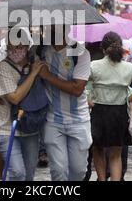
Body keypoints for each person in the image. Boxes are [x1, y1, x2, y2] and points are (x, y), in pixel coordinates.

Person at [89, 32, 132, 181]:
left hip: (99, 112)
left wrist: (88, 100)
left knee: (98, 149)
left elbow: (81, 86)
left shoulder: (94, 66)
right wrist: (129, 98)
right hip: (119, 113)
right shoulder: (128, 67)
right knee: (116, 155)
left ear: (103, 49)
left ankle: (101, 179)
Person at [38, 25, 92, 181]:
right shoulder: (40, 51)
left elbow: (77, 89)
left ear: (65, 29)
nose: (48, 31)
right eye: (46, 27)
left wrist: (48, 76)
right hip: (53, 120)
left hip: (79, 121)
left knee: (79, 171)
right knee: (58, 171)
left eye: (53, 28)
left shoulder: (80, 53)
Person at [0, 29, 44, 181]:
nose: (15, 51)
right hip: (6, 128)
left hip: (30, 127)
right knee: (18, 173)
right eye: (11, 48)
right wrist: (32, 74)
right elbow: (15, 98)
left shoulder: (36, 63)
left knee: (29, 175)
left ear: (27, 47)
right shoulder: (3, 67)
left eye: (19, 47)